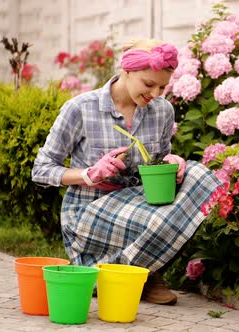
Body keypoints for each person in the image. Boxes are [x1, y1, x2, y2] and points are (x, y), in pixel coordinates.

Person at [32, 39, 220, 305]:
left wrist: (172, 161)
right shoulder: (81, 109)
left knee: (199, 176)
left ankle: (137, 272)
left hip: (139, 202)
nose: (155, 93)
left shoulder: (162, 110)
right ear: (127, 71)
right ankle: (138, 274)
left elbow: (158, 159)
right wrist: (89, 173)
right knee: (159, 220)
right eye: (148, 84)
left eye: (162, 87)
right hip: (90, 208)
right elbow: (41, 169)